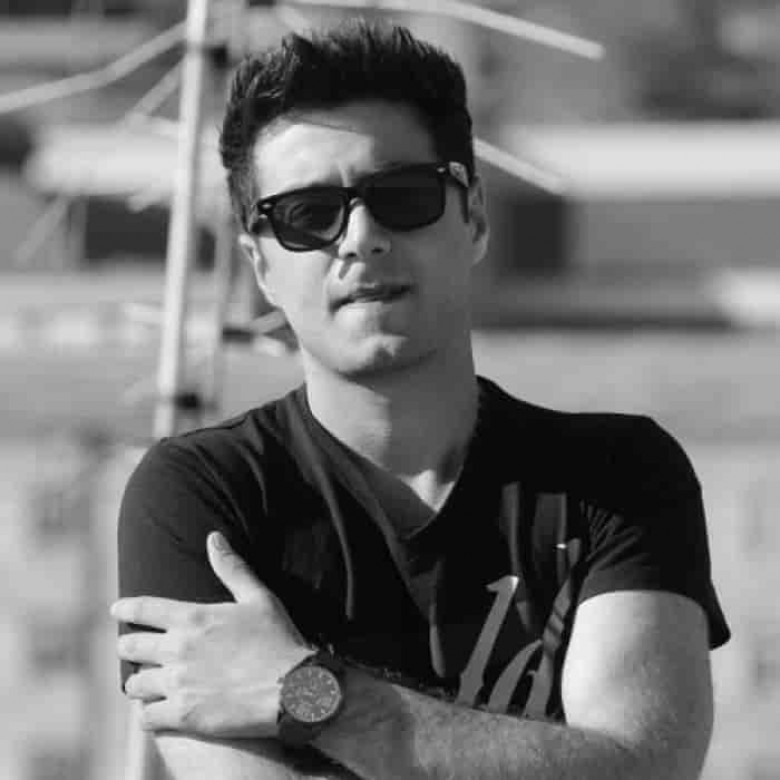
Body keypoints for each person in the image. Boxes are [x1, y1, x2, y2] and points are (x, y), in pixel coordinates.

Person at [111, 20, 730, 780]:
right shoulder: (204, 498)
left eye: (402, 197)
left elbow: (642, 771)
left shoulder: (616, 478)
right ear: (259, 266)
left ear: (473, 218)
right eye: (308, 214)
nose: (360, 238)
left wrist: (315, 696)